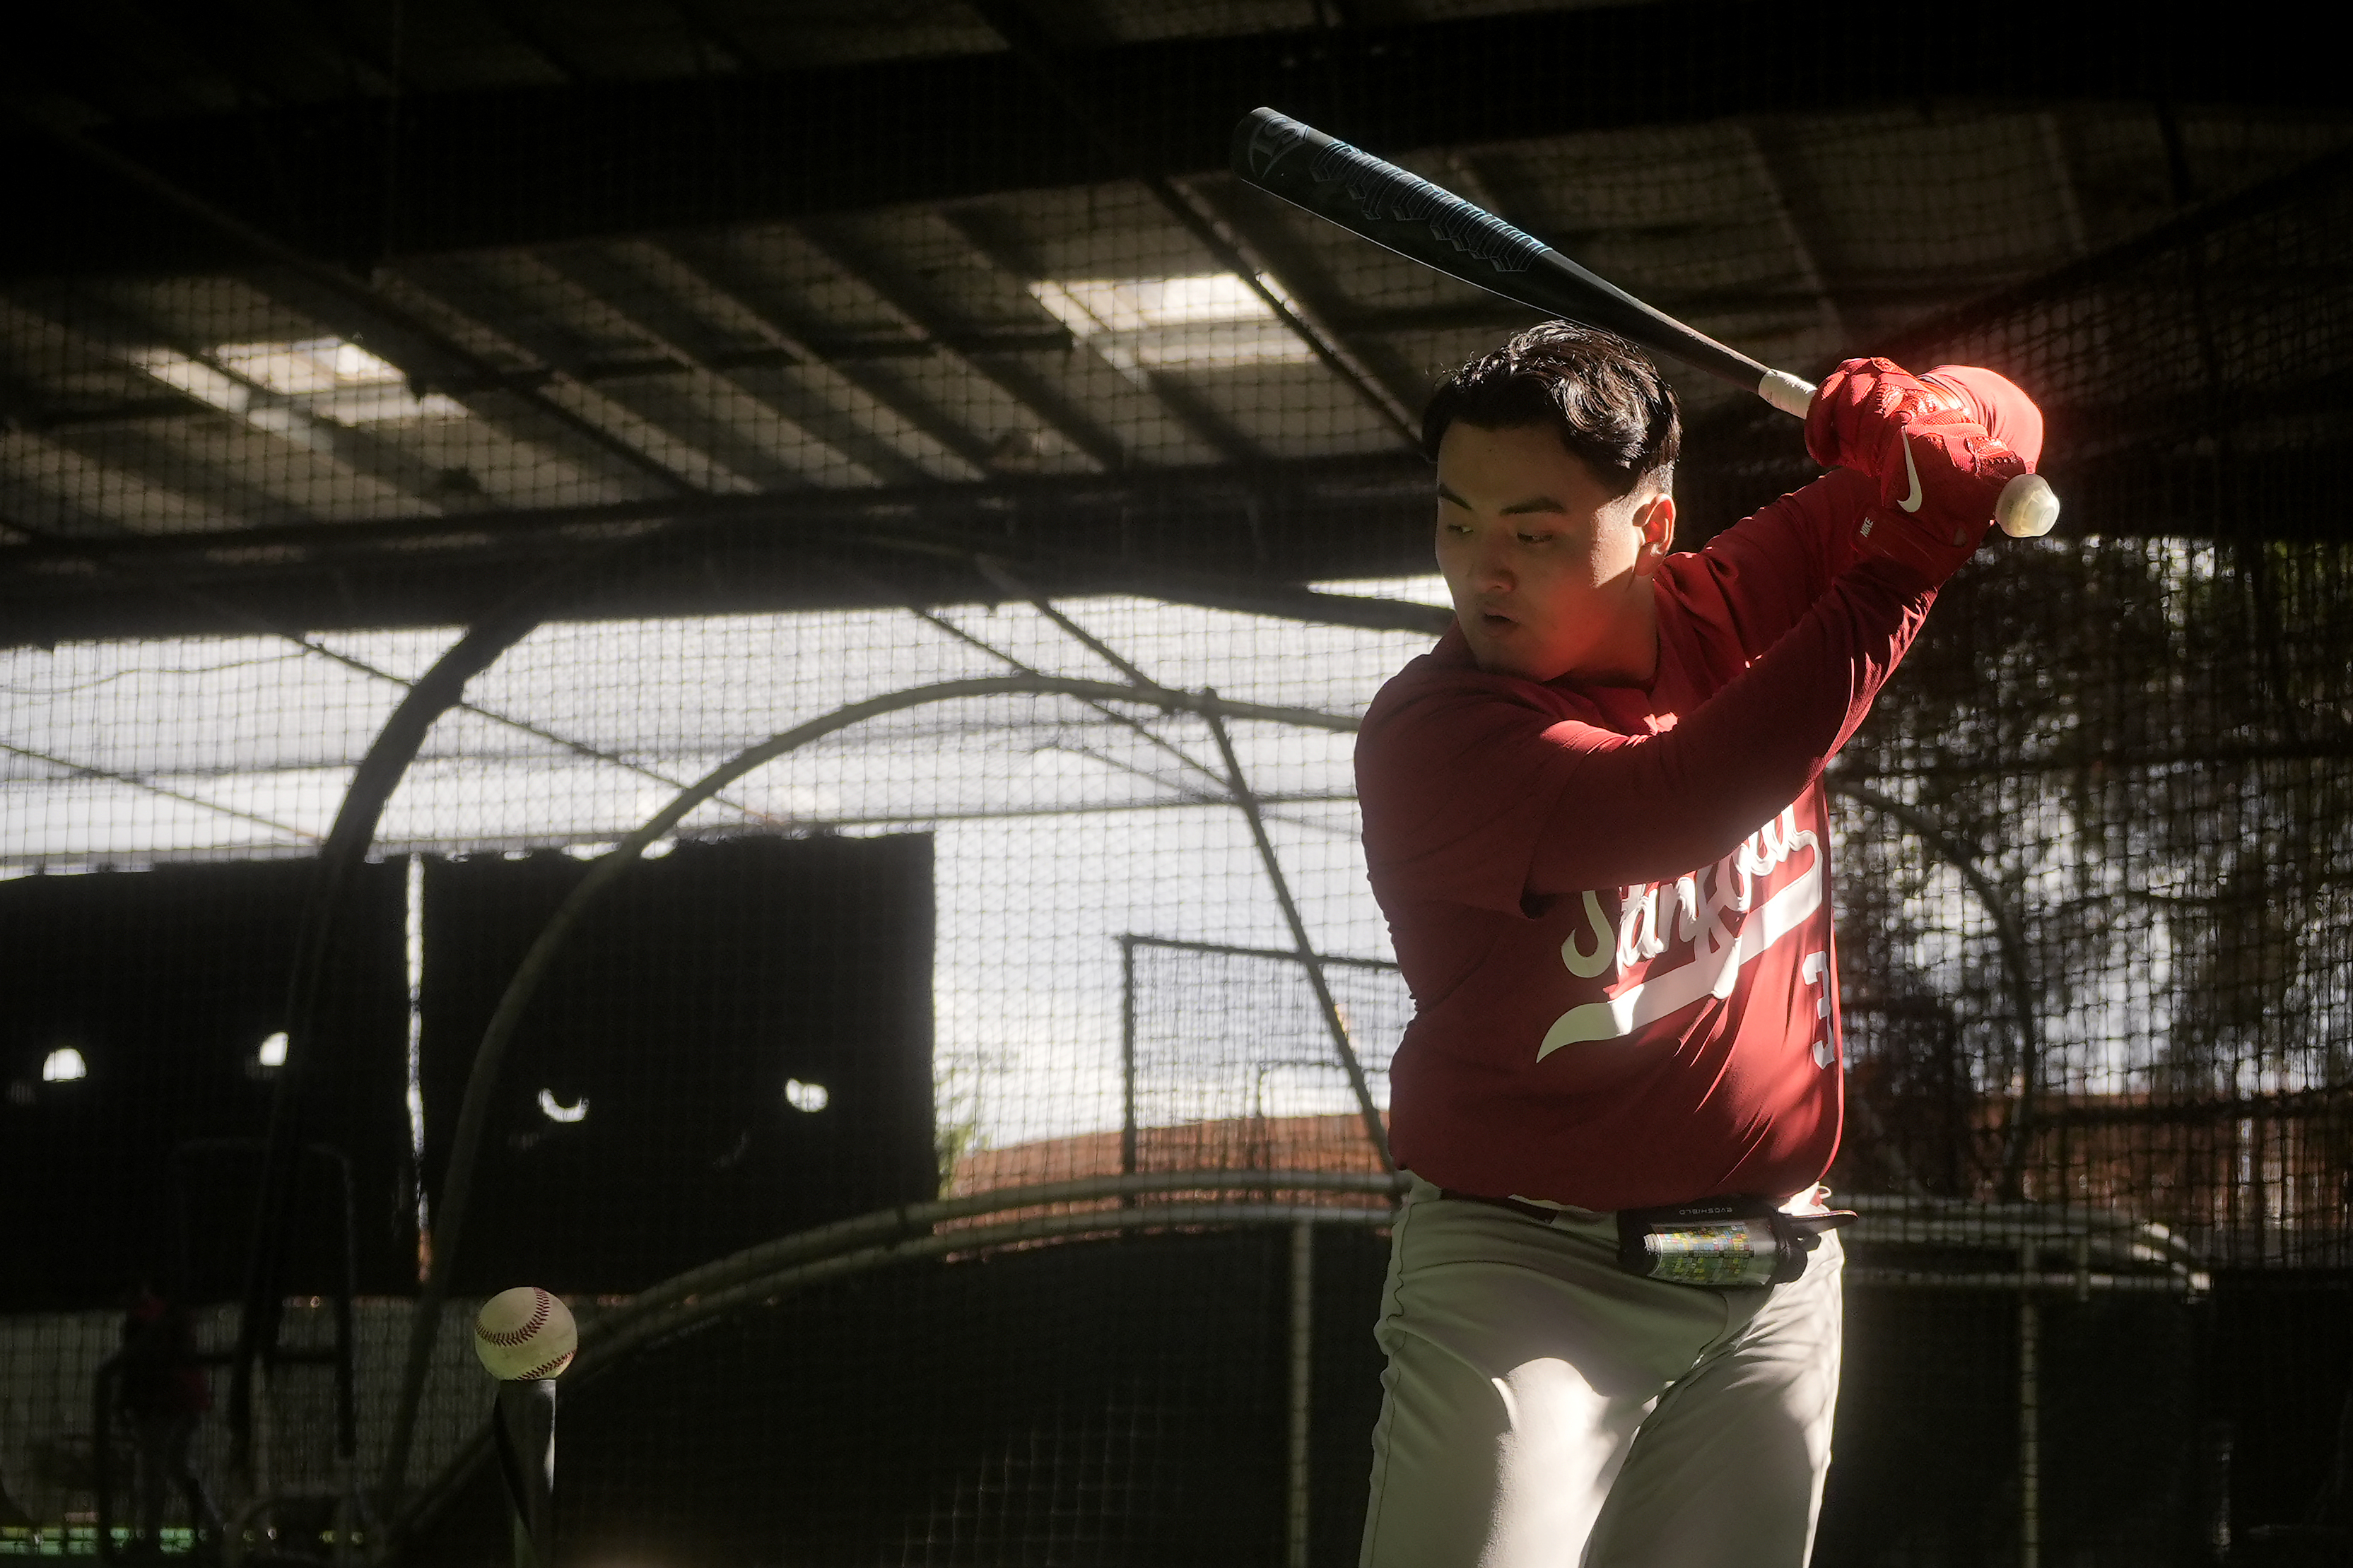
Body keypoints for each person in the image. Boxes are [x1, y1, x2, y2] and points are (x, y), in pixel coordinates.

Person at [1352, 322, 2043, 1567]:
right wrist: (1902, 563)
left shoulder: (1726, 599)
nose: (1481, 570)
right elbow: (1678, 798)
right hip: (1527, 1274)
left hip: (1764, 1269)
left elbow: (2004, 424)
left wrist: (1923, 416)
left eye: (1533, 529)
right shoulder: (1431, 731)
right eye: (1456, 521)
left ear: (1652, 529)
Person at [117, 1283, 221, 1555]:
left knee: (157, 1472)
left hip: (166, 1403)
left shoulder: (146, 1318)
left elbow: (137, 1367)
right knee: (177, 1467)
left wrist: (127, 1405)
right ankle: (214, 1529)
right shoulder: (164, 1313)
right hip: (184, 1400)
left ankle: (154, 1538)